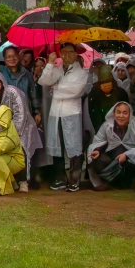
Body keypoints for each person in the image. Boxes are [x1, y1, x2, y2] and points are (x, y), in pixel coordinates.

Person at [37, 42, 89, 191]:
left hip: (71, 112)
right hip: (56, 112)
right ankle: (59, 178)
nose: (66, 55)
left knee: (74, 146)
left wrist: (56, 88)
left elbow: (75, 91)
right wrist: (50, 63)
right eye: (63, 52)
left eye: (69, 52)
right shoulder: (57, 69)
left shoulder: (82, 73)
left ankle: (74, 178)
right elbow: (43, 81)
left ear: (75, 54)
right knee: (57, 146)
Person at [0, 71, 42, 190]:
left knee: (22, 152)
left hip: (23, 127)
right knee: (7, 153)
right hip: (5, 130)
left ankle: (24, 182)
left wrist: (14, 133)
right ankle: (13, 180)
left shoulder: (12, 91)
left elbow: (21, 112)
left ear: (2, 80)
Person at [87, 102, 135, 191]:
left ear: (129, 114)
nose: (121, 116)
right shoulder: (107, 125)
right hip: (113, 156)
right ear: (114, 113)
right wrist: (97, 149)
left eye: (125, 113)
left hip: (132, 158)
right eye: (118, 112)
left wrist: (127, 155)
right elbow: (99, 140)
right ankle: (104, 183)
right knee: (93, 156)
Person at [85, 64, 129, 142]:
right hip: (102, 130)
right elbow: (94, 116)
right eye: (103, 84)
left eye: (108, 83)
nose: (106, 86)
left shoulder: (121, 94)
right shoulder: (94, 96)